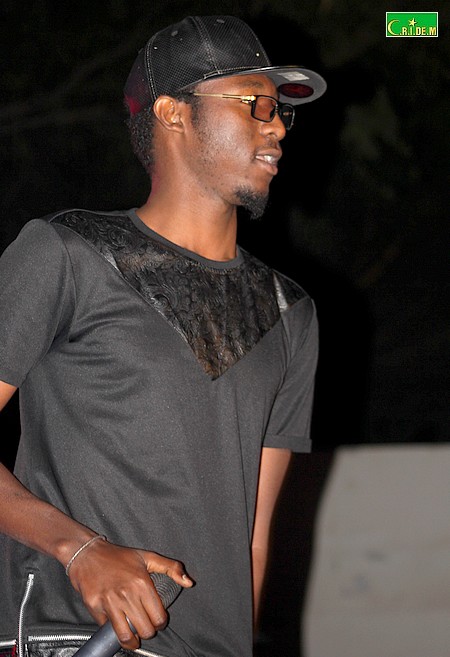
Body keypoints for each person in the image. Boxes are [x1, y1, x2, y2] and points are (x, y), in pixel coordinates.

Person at [0, 15, 325, 657]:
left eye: (282, 112)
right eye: (255, 104)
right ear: (174, 113)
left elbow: (252, 539)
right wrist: (80, 549)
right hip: (75, 639)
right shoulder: (67, 254)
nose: (278, 127)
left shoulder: (289, 312)